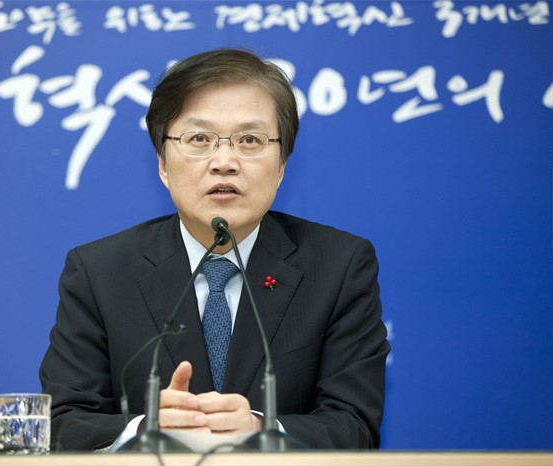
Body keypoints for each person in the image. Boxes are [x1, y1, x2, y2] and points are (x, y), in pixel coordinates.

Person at [39, 48, 390, 451]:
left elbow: (355, 426)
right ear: (163, 164)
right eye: (199, 139)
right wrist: (146, 428)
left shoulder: (338, 266)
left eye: (250, 140)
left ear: (281, 167)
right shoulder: (99, 272)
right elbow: (62, 422)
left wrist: (261, 430)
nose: (224, 161)